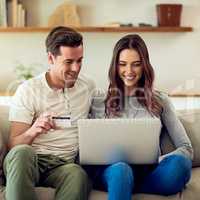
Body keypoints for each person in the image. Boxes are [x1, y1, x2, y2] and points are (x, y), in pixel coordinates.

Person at [85, 34, 193, 200]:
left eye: (136, 64)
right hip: (113, 173)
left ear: (144, 66)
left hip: (149, 174)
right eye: (122, 64)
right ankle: (123, 183)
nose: (129, 71)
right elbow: (87, 150)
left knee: (180, 163)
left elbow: (186, 148)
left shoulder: (160, 100)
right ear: (115, 66)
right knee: (121, 170)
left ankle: (128, 186)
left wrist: (161, 158)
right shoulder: (98, 100)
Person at [3, 26, 95, 200]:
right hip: (30, 160)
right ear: (51, 58)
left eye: (80, 60)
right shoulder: (28, 90)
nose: (76, 68)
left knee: (77, 173)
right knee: (22, 152)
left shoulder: (88, 86)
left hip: (63, 165)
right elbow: (13, 146)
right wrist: (34, 129)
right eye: (68, 62)